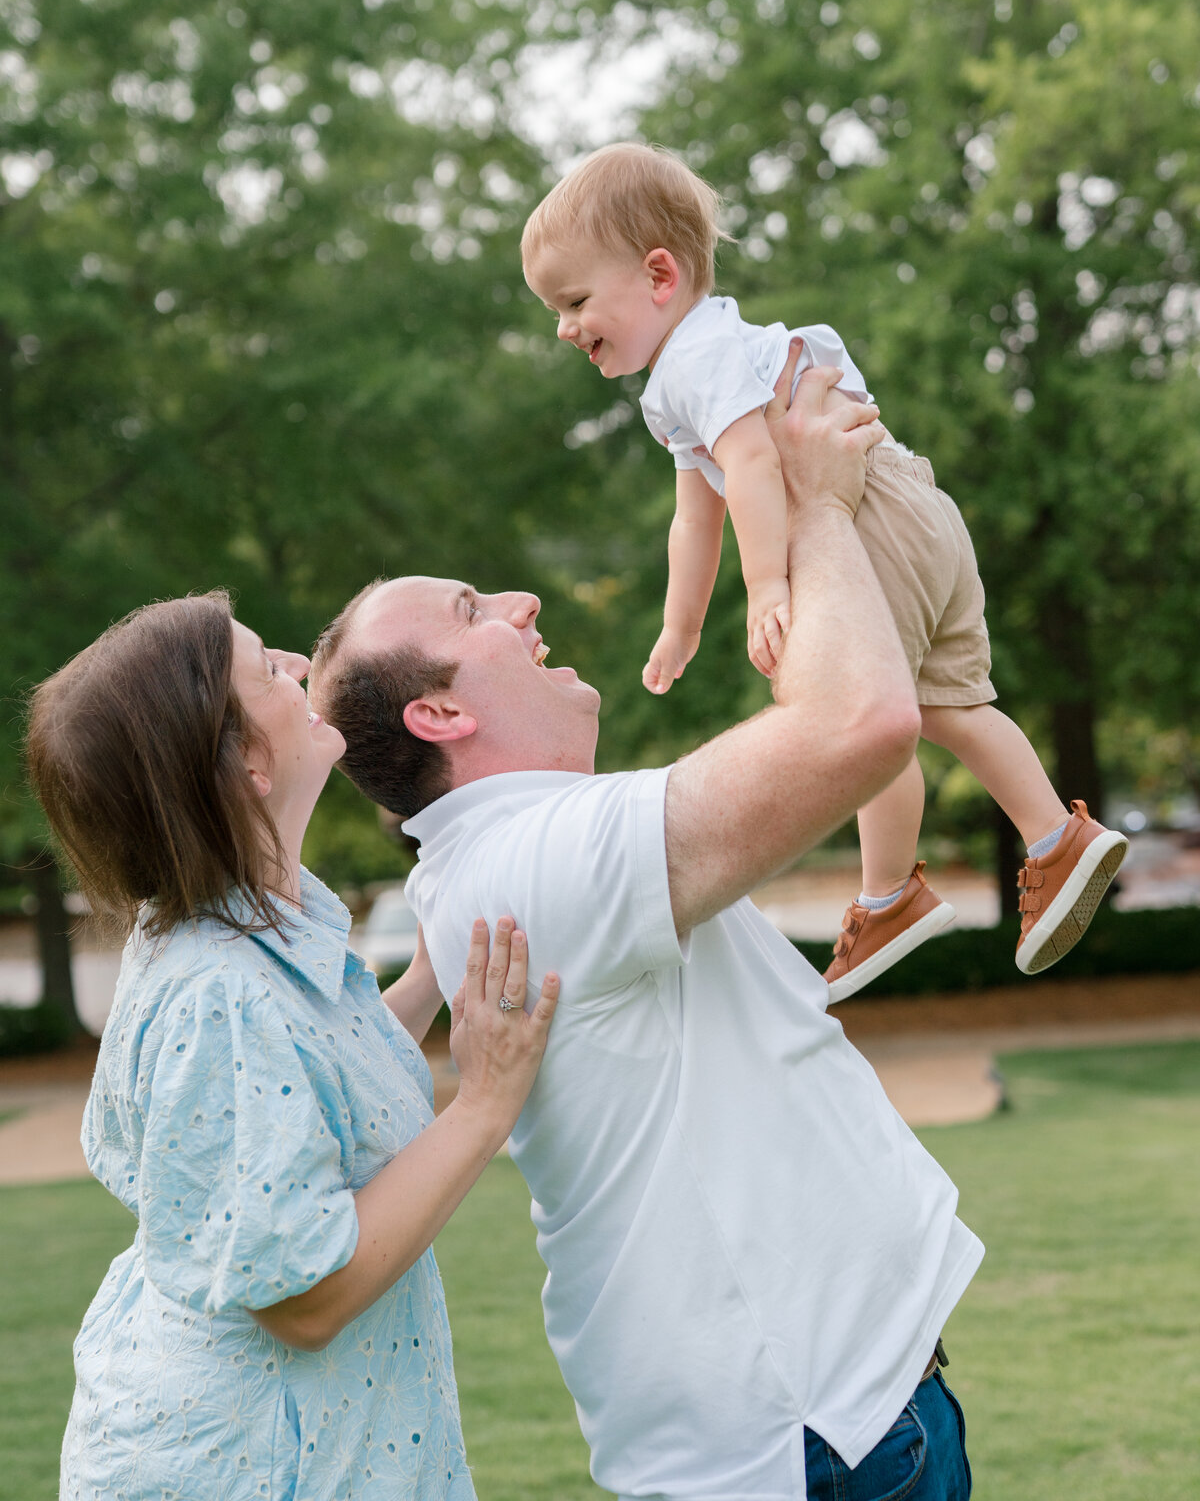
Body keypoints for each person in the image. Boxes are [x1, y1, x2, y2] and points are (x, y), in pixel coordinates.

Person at [309, 361, 979, 1501]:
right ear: (441, 713)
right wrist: (815, 506)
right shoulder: (533, 861)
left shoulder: (506, 858)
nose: (522, 602)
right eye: (473, 611)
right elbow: (860, 725)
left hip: (829, 1417)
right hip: (814, 1435)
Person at [521, 140, 1128, 992]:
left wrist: (768, 586)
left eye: (576, 301)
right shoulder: (719, 352)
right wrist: (679, 626)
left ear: (659, 275)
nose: (564, 327)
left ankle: (896, 893)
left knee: (863, 704)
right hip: (916, 502)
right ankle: (1048, 840)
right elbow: (695, 516)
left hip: (861, 517)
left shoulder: (692, 362)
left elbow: (751, 470)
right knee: (948, 704)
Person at [25, 591, 558, 1501]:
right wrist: (483, 1107)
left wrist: (431, 975)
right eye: (266, 669)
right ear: (243, 761)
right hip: (251, 1467)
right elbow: (303, 1302)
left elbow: (305, 1088)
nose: (302, 666)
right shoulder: (220, 995)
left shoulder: (248, 922)